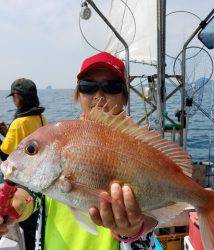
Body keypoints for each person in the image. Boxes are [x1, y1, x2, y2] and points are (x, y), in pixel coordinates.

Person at [0, 53, 157, 250]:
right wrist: (14, 206)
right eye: (88, 86)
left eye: (111, 87)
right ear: (77, 94)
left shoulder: (140, 148)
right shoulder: (58, 141)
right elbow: (34, 195)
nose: (99, 95)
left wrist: (134, 230)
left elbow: (154, 218)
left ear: (125, 97)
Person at [0, 78, 47, 250]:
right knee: (36, 223)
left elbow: (5, 154)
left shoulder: (18, 123)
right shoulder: (41, 117)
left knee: (26, 223)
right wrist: (6, 132)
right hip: (38, 176)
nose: (13, 100)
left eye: (14, 96)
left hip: (21, 180)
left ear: (19, 97)